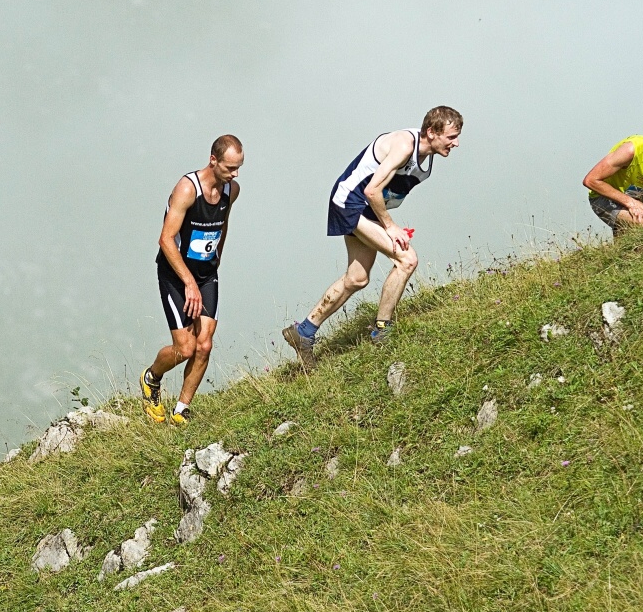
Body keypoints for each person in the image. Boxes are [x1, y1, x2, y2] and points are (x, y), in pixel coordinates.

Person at [282, 106, 463, 368]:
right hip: (351, 204)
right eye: (451, 137)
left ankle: (304, 332)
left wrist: (384, 221)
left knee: (357, 278)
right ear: (432, 132)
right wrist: (389, 226)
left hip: (366, 210)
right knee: (407, 260)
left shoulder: (427, 157)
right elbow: (372, 190)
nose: (456, 143)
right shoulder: (404, 145)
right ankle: (382, 331)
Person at [139, 135, 243, 425]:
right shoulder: (187, 189)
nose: (234, 175)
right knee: (185, 347)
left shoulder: (231, 190)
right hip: (176, 275)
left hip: (206, 274)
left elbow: (223, 224)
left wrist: (216, 259)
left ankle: (181, 410)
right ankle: (151, 378)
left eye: (238, 168)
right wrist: (189, 282)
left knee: (204, 345)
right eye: (230, 168)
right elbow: (165, 238)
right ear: (213, 160)